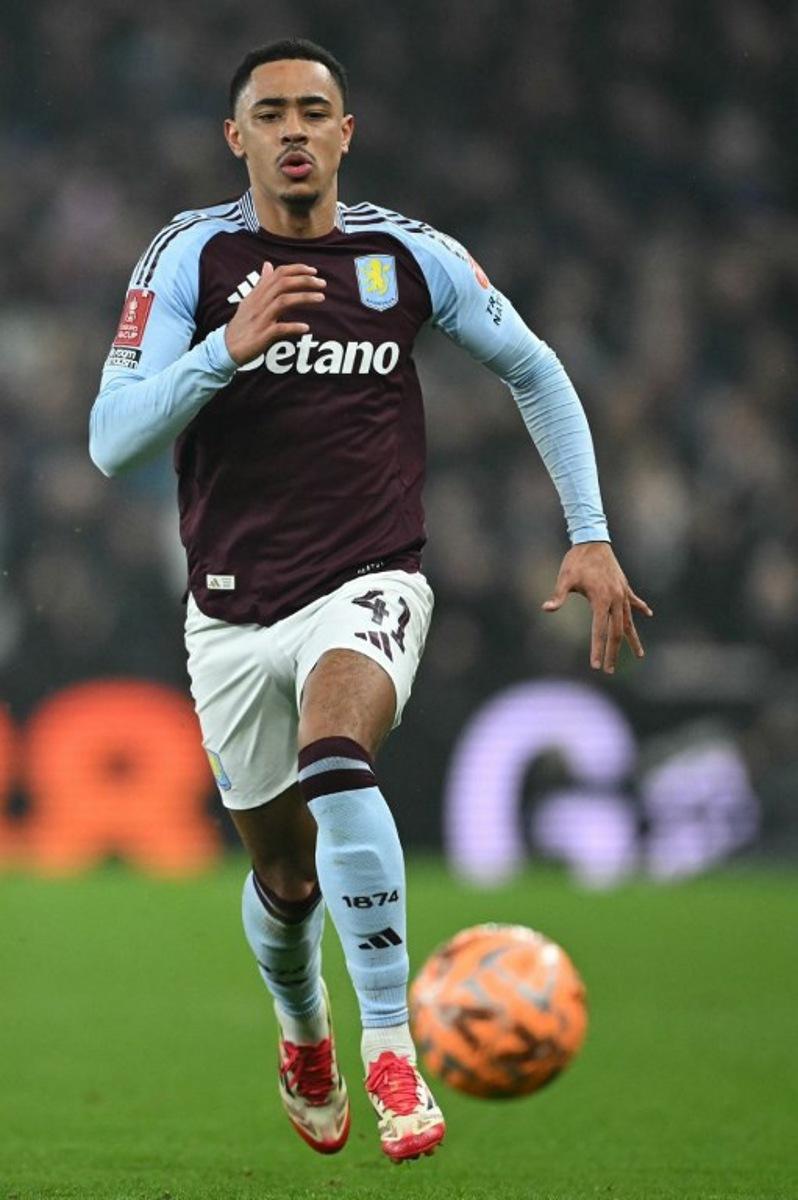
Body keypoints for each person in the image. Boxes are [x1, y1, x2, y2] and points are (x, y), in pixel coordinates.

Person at [89, 37, 651, 1164]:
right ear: (236, 137)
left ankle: (391, 1046)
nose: (293, 130)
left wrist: (589, 533)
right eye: (270, 114)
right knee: (284, 879)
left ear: (346, 134)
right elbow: (112, 442)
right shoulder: (191, 255)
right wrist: (223, 352)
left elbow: (536, 368)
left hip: (369, 578)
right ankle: (305, 1032)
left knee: (337, 756)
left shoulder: (408, 256)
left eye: (314, 111)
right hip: (231, 611)